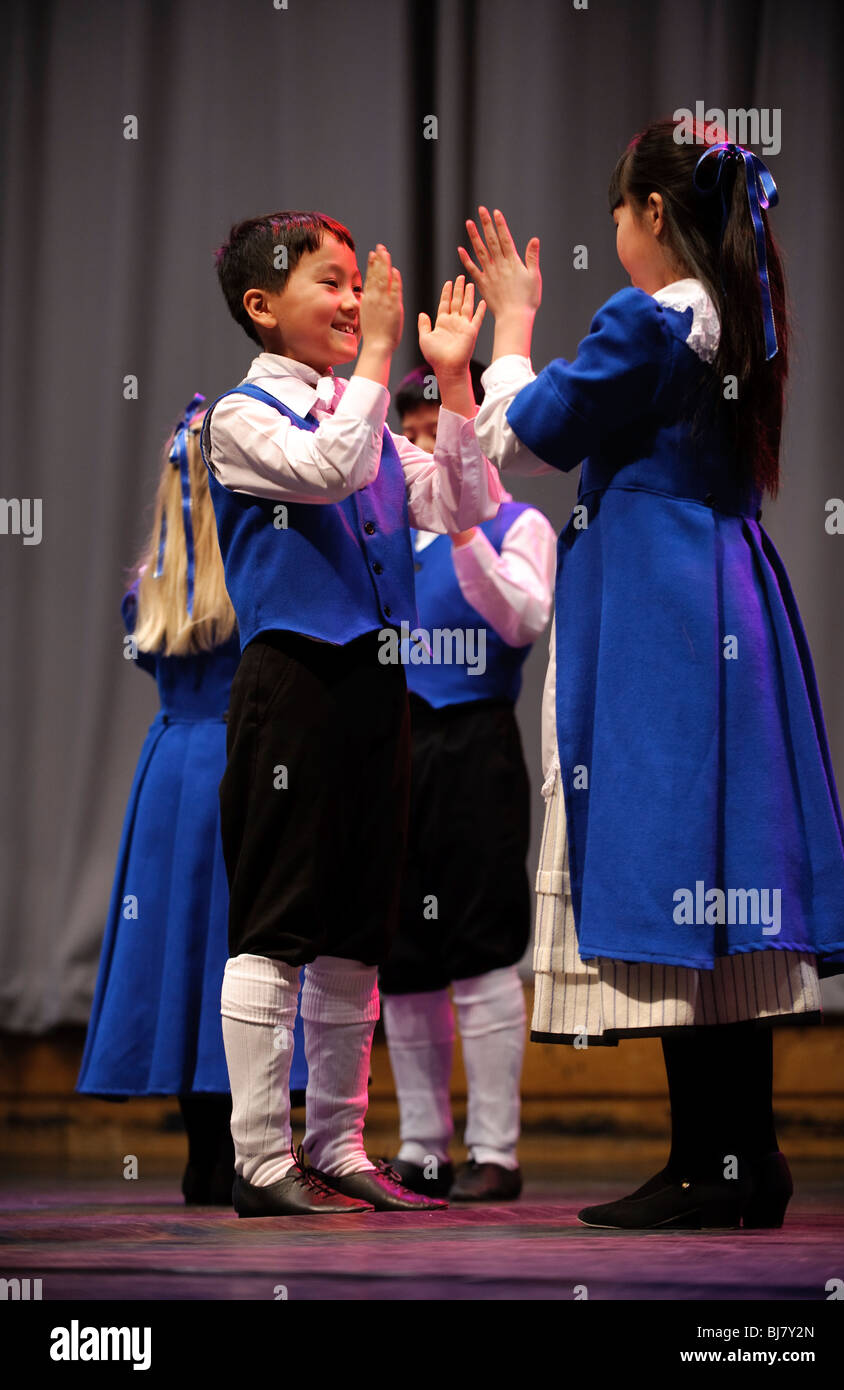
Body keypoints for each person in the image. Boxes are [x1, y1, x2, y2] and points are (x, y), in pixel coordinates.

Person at [458, 118, 844, 1230]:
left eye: (617, 218)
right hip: (721, 585)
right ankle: (733, 1158)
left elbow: (526, 433)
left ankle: (715, 1161)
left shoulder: (650, 318)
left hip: (657, 606)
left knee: (673, 849)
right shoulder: (739, 313)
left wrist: (512, 323)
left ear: (648, 215)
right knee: (717, 864)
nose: (616, 239)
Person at [200, 210, 507, 1216]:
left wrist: (453, 385)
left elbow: (462, 507)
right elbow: (327, 467)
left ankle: (336, 1144)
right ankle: (259, 1158)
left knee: (356, 935)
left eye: (355, 284)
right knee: (278, 922)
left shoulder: (365, 414)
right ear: (260, 305)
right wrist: (379, 351)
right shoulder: (241, 417)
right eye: (328, 283)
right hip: (293, 688)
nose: (351, 300)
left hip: (381, 690)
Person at [77, 397, 308, 1205]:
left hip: (169, 772)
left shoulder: (151, 590)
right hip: (237, 762)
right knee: (239, 950)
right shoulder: (255, 581)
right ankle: (254, 1145)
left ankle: (201, 1154)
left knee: (178, 951)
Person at [380, 364, 556, 1201]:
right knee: (404, 957)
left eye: (436, 431)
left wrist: (462, 529)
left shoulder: (521, 526)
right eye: (411, 434)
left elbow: (522, 618)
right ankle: (421, 1145)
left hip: (474, 746)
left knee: (480, 946)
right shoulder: (387, 537)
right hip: (393, 750)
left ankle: (495, 1150)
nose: (423, 450)